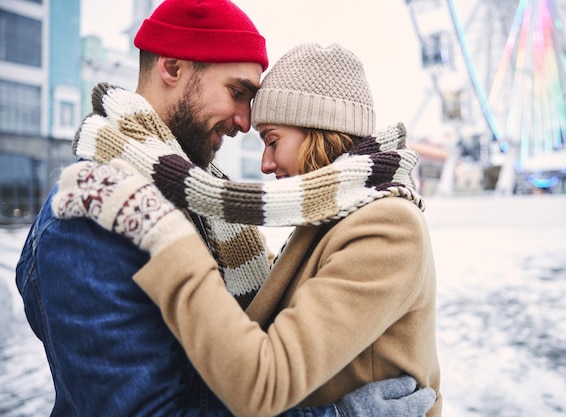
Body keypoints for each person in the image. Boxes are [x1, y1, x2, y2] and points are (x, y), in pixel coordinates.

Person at [15, 0, 434, 416]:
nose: (244, 122)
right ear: (173, 68)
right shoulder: (95, 211)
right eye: (238, 93)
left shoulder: (200, 196)